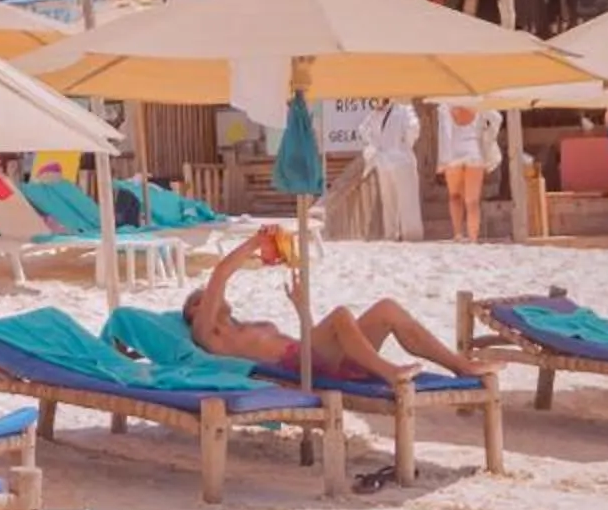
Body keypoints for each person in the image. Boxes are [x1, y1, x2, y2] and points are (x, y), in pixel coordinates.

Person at [183, 228, 480, 383]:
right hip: (300, 367)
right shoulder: (209, 333)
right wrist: (254, 243)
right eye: (203, 298)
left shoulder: (247, 325)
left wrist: (302, 309)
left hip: (318, 358)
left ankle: (459, 366)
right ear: (195, 311)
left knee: (387, 309)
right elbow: (221, 273)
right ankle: (388, 372)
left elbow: (315, 341)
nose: (211, 297)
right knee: (340, 315)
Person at [361, 98, 425, 241]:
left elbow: (413, 128)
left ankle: (412, 235)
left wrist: (403, 145)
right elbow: (364, 130)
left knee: (407, 199)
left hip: (402, 160)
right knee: (388, 200)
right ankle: (391, 234)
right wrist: (374, 150)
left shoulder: (403, 107)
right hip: (384, 161)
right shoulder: (374, 114)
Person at [436, 97, 497, 241]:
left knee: (455, 196)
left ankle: (458, 234)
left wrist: (442, 161)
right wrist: (489, 136)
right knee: (473, 201)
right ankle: (473, 238)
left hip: (452, 154)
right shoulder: (479, 103)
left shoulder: (446, 105)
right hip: (474, 153)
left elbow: (443, 134)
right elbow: (496, 118)